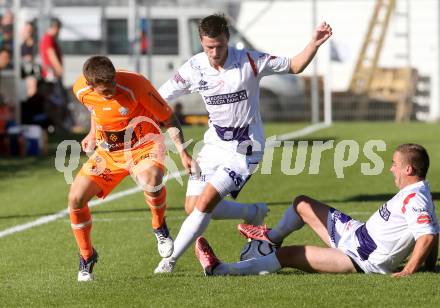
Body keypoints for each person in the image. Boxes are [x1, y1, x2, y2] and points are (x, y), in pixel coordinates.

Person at [154, 14, 332, 273]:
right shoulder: (194, 67)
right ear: (201, 43)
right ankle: (253, 212)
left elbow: (294, 66)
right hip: (214, 145)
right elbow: (159, 98)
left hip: (245, 149)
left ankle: (168, 262)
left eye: (220, 46)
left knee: (204, 204)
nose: (214, 53)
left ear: (228, 39)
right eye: (208, 47)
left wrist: (314, 44)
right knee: (193, 207)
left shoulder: (250, 60)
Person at [195, 144, 440, 277]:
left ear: (408, 170)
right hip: (355, 234)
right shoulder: (417, 191)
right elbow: (432, 233)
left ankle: (220, 269)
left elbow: (427, 236)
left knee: (289, 255)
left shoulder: (416, 198)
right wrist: (429, 266)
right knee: (302, 204)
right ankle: (268, 238)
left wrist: (408, 271)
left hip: (358, 259)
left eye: (395, 165)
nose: (391, 169)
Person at [69, 56, 193, 281]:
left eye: (113, 85)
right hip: (109, 154)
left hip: (143, 145)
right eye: (105, 91)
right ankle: (87, 255)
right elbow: (95, 109)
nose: (112, 92)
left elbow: (169, 118)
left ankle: (159, 226)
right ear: (90, 85)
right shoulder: (79, 89)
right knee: (75, 199)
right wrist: (92, 133)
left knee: (151, 179)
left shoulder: (137, 85)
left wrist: (183, 152)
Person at [39, 17, 72, 131]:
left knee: (57, 100)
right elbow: (51, 54)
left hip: (52, 75)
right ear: (55, 27)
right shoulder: (48, 38)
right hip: (51, 75)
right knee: (57, 100)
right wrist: (59, 69)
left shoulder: (49, 39)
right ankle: (58, 125)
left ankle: (58, 125)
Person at [21, 22, 39, 98]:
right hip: (23, 66)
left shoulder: (34, 43)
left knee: (32, 85)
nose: (27, 32)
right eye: (26, 29)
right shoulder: (21, 42)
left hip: (31, 67)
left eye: (29, 30)